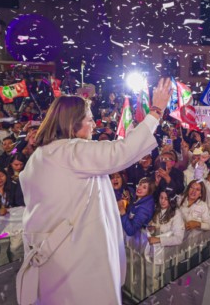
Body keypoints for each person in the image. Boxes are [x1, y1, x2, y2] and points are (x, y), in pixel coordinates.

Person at [16, 78, 171, 305]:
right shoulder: (69, 151)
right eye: (89, 120)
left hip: (57, 261)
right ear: (73, 124)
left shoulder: (40, 156)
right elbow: (121, 152)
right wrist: (156, 111)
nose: (94, 125)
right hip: (77, 264)